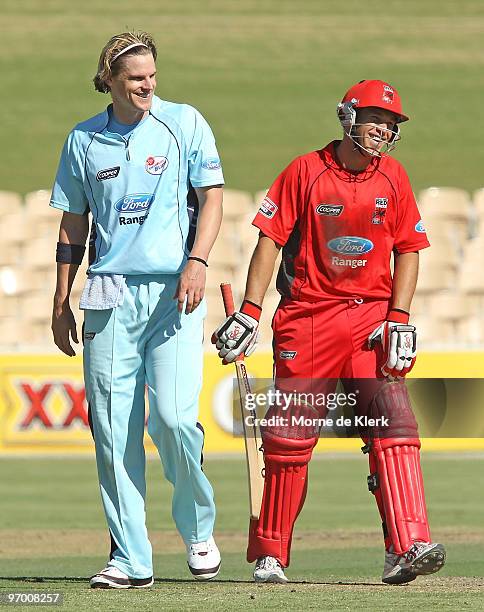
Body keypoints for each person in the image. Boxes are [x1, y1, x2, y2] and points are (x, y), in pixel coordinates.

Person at [213, 80, 446, 585]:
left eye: (392, 124)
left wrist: (399, 318)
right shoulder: (305, 171)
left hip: (371, 319)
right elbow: (270, 241)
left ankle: (408, 546)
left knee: (395, 431)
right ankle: (271, 555)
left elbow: (409, 247)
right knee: (290, 438)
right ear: (347, 117)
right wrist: (250, 312)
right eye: (375, 119)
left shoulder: (395, 178)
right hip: (309, 316)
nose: (383, 130)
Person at [50, 31, 224, 588]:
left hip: (176, 291)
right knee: (111, 429)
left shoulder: (184, 123)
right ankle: (130, 558)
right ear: (110, 80)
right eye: (135, 78)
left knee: (173, 420)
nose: (147, 85)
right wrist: (61, 297)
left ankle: (198, 530)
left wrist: (197, 261)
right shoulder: (83, 140)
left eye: (152, 75)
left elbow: (212, 195)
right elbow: (72, 224)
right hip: (108, 294)